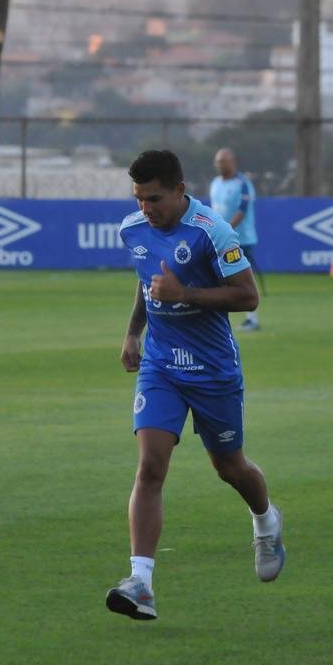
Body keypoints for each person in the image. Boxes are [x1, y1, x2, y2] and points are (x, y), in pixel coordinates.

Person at [106, 149, 284, 621]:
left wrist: (184, 294)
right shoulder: (132, 230)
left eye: (155, 198)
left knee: (230, 467)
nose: (146, 208)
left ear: (180, 191)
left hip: (212, 370)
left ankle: (265, 520)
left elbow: (248, 296)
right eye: (139, 198)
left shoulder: (212, 231)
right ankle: (140, 582)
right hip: (161, 367)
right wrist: (132, 332)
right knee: (150, 466)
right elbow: (149, 282)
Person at [208, 147, 263, 330]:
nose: (220, 166)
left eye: (223, 162)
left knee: (240, 277)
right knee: (217, 278)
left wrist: (226, 230)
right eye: (218, 162)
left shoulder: (243, 183)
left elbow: (243, 210)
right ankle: (219, 319)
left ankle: (252, 319)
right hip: (217, 239)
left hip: (241, 238)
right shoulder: (215, 183)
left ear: (233, 162)